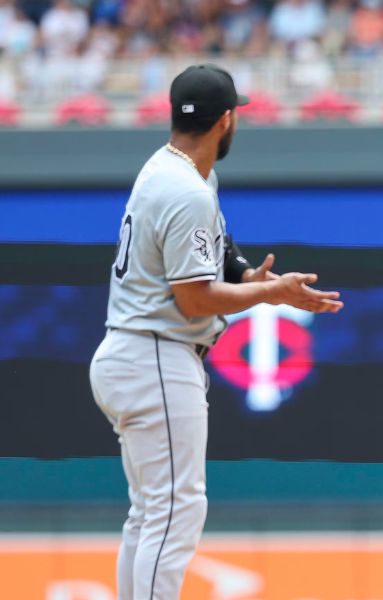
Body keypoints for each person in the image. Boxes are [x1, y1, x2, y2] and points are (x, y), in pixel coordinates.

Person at [89, 64, 344, 600]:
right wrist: (270, 294)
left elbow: (217, 260)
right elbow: (194, 297)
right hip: (156, 352)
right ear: (227, 119)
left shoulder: (172, 170)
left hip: (132, 353)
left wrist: (251, 279)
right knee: (177, 508)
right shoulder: (187, 189)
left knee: (151, 512)